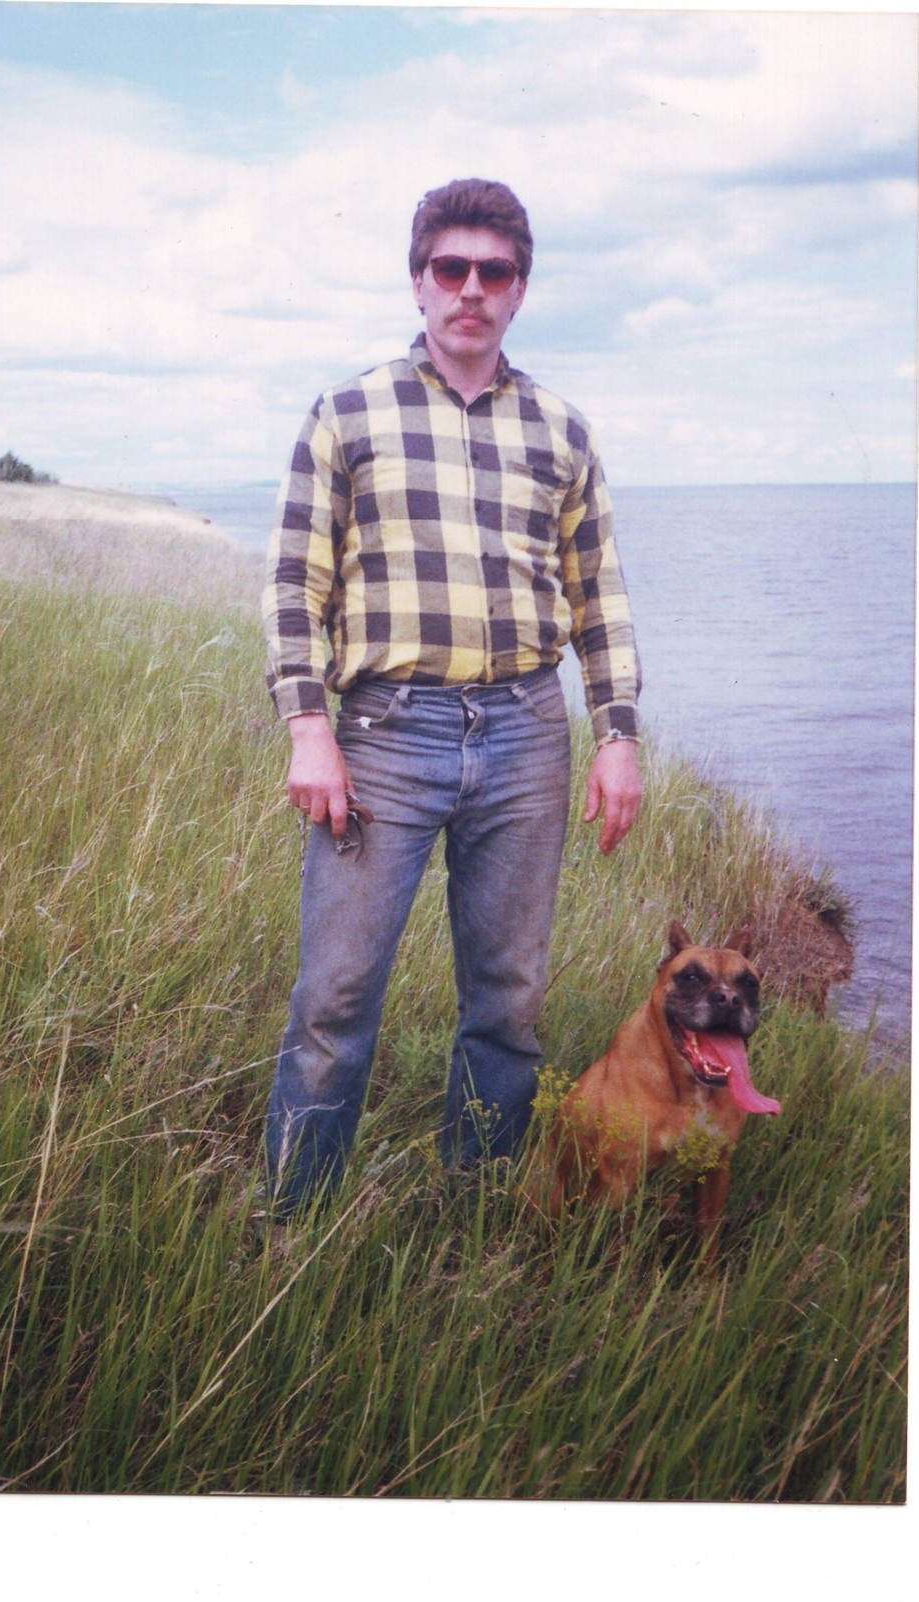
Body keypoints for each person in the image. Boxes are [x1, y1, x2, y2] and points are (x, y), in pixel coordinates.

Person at [261, 177, 641, 1217]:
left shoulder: (562, 430)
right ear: (419, 281)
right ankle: (292, 1224)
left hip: (526, 733)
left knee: (508, 1004)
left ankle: (478, 1222)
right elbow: (294, 584)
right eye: (451, 268)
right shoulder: (347, 413)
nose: (472, 288)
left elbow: (598, 594)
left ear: (520, 289)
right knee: (336, 998)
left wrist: (616, 736)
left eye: (494, 272)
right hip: (384, 736)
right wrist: (309, 728)